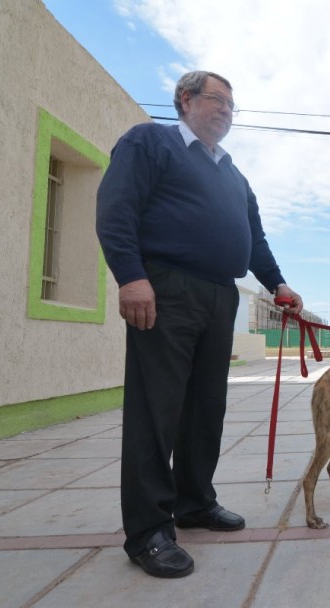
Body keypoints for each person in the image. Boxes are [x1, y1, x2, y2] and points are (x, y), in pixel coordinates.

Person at [96, 71, 303, 579]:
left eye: (234, 106)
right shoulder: (150, 141)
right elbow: (116, 208)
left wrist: (277, 284)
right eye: (218, 100)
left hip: (219, 295)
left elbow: (254, 240)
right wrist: (130, 276)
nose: (227, 111)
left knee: (206, 406)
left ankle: (193, 503)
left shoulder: (233, 174)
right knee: (156, 410)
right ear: (185, 99)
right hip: (164, 287)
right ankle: (148, 531)